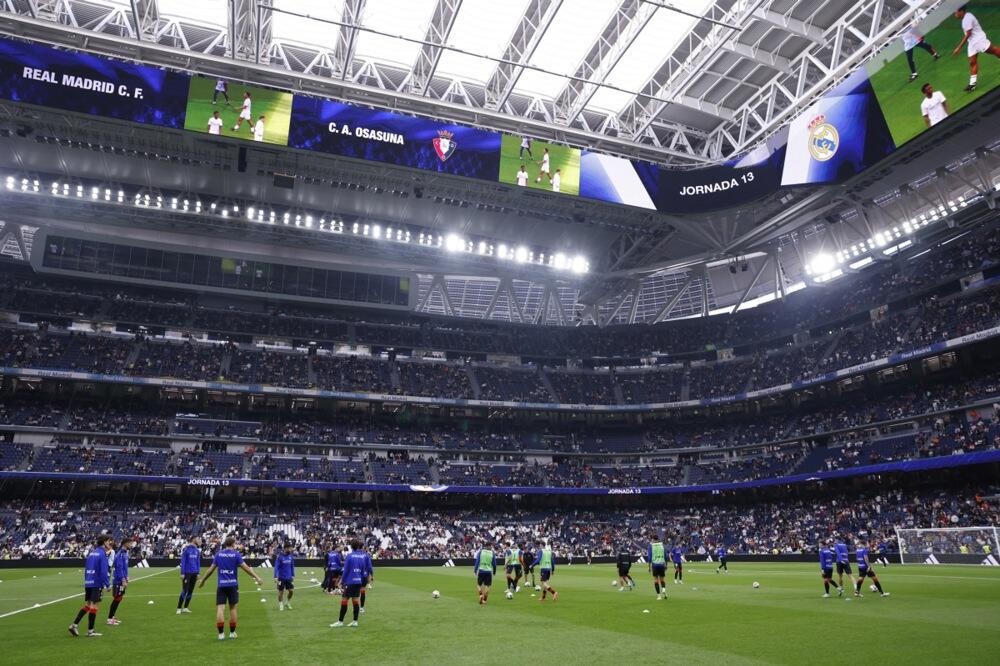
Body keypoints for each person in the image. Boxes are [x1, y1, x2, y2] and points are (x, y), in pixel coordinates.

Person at [197, 536, 263, 641]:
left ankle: (221, 634)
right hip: (233, 585)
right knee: (232, 608)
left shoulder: (219, 555)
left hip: (221, 585)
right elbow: (246, 568)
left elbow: (211, 569)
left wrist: (203, 580)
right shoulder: (236, 555)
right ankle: (232, 633)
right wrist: (257, 577)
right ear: (232, 544)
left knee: (220, 609)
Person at [69, 535, 112, 637]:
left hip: (88, 582)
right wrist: (107, 584)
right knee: (94, 605)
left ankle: (74, 625)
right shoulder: (102, 554)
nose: (110, 543)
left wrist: (87, 580)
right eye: (109, 541)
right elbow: (103, 571)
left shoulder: (92, 553)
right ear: (105, 542)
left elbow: (86, 568)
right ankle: (90, 631)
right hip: (97, 582)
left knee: (88, 605)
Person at [953, 5, 1000, 92]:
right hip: (972, 43)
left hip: (979, 40)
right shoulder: (965, 18)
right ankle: (972, 84)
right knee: (972, 62)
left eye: (956, 12)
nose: (954, 14)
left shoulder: (967, 19)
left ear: (961, 11)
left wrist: (958, 48)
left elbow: (968, 34)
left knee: (993, 50)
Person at [331, 539, 369, 628]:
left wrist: (342, 581)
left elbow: (346, 570)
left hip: (350, 582)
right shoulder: (362, 557)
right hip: (358, 581)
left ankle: (340, 622)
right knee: (355, 601)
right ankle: (355, 621)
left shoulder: (350, 556)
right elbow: (363, 569)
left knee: (344, 600)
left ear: (351, 546)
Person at [106, 537, 133, 626]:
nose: (131, 545)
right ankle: (110, 619)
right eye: (129, 543)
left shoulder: (125, 553)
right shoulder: (120, 554)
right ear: (125, 543)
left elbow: (124, 568)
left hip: (122, 580)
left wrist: (127, 576)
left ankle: (112, 617)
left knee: (119, 598)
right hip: (118, 580)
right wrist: (123, 579)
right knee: (117, 598)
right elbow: (119, 568)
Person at [177, 536, 201, 614]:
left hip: (194, 573)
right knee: (185, 590)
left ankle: (186, 608)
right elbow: (183, 562)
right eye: (197, 539)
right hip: (187, 573)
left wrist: (198, 573)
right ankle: (179, 608)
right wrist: (182, 573)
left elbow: (198, 562)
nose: (199, 540)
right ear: (193, 539)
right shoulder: (186, 550)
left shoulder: (197, 551)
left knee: (191, 591)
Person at [274, 542, 295, 611]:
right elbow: (276, 567)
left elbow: (292, 566)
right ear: (285, 548)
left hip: (289, 578)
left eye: (290, 548)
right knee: (281, 592)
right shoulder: (280, 557)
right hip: (281, 578)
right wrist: (275, 576)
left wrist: (293, 575)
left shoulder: (291, 557)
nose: (290, 549)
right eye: (289, 548)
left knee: (291, 591)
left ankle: (287, 602)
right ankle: (281, 604)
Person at [647, 534, 668, 600]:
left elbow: (649, 557)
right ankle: (664, 589)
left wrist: (649, 567)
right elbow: (665, 556)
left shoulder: (651, 546)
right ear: (658, 538)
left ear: (653, 539)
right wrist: (666, 565)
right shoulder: (662, 545)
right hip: (662, 564)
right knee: (662, 579)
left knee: (656, 580)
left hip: (655, 565)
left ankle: (659, 596)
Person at [359, 545, 374, 614]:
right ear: (363, 548)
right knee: (362, 592)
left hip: (354, 576)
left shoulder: (351, 555)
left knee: (354, 594)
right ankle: (361, 608)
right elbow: (370, 567)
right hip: (364, 576)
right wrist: (372, 575)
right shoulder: (366, 556)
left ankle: (356, 609)